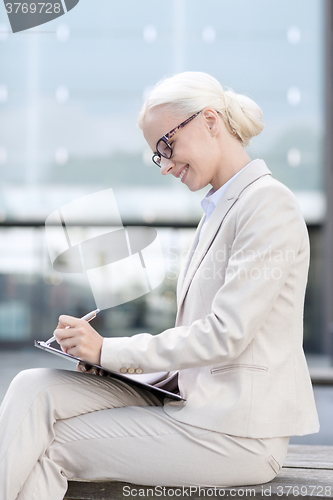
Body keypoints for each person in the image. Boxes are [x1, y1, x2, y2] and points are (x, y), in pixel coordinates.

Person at [0, 72, 319, 499]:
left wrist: (108, 350)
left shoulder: (268, 204)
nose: (165, 165)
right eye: (157, 155)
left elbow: (227, 334)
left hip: (236, 433)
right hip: (188, 402)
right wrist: (109, 364)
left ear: (210, 121)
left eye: (166, 146)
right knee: (32, 387)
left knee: (50, 445)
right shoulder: (218, 209)